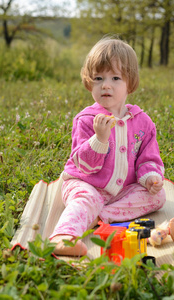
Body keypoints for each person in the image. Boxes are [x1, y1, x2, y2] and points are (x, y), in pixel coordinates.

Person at [50, 37, 166, 256]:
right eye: (98, 78)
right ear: (88, 82)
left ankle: (100, 216)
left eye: (115, 78)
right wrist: (99, 139)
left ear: (130, 83)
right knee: (86, 199)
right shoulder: (86, 120)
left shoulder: (142, 122)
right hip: (86, 182)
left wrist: (150, 177)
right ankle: (63, 237)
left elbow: (148, 158)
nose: (105, 84)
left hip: (122, 191)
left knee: (158, 197)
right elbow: (84, 167)